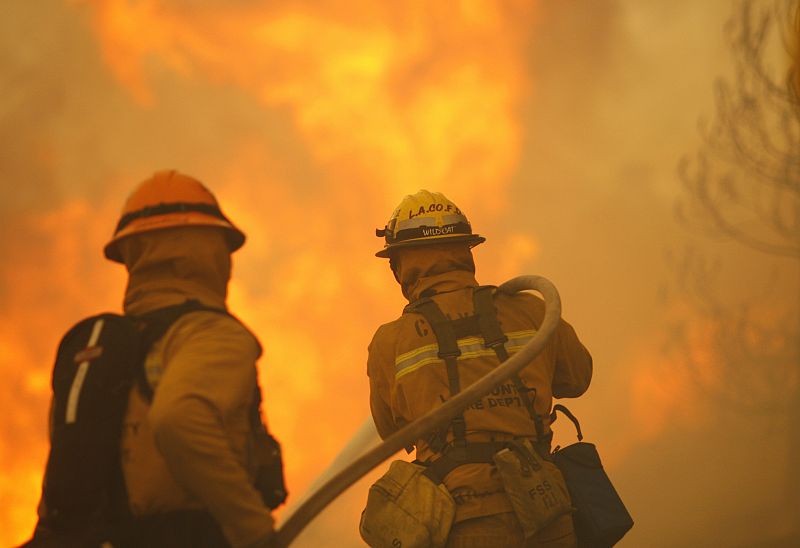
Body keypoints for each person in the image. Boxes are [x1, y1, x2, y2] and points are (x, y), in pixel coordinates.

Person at [31, 170, 277, 548]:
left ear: (133, 255)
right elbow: (179, 420)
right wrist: (254, 532)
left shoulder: (96, 348)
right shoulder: (210, 335)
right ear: (206, 250)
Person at [366, 190, 593, 547]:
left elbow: (392, 431)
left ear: (399, 266)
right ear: (465, 253)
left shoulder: (390, 342)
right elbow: (578, 378)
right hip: (547, 509)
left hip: (465, 521)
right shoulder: (532, 310)